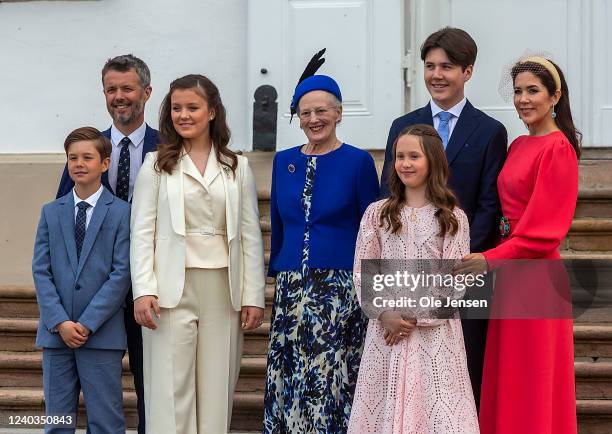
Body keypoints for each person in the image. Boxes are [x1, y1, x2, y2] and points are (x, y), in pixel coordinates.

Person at [130, 74, 266, 434]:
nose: (183, 115)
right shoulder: (156, 164)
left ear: (212, 112)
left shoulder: (237, 166)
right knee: (170, 388)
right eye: (177, 108)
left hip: (224, 285)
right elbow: (141, 232)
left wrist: (254, 295)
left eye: (192, 107)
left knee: (217, 385)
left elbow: (250, 234)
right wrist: (143, 289)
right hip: (170, 288)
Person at [379, 27, 507, 407]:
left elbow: (488, 205)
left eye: (447, 66)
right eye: (430, 66)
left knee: (462, 372)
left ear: (467, 71)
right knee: (408, 376)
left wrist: (457, 261)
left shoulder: (490, 131)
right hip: (406, 267)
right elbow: (389, 196)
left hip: (464, 269)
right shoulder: (403, 126)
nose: (436, 75)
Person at [456, 56, 581, 433]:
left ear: (555, 96)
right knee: (508, 376)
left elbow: (544, 233)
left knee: (531, 381)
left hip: (535, 277)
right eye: (518, 91)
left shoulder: (558, 149)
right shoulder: (519, 145)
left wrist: (490, 258)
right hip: (507, 272)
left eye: (533, 90)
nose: (523, 99)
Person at [264, 50, 380, 433]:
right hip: (291, 286)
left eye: (322, 111)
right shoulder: (283, 161)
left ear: (339, 113)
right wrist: (277, 266)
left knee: (331, 375)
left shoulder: (358, 162)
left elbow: (372, 227)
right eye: (306, 113)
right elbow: (278, 221)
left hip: (339, 287)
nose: (314, 119)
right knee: (290, 370)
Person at [348, 124, 479, 433]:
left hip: (435, 339)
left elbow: (455, 283)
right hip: (387, 334)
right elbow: (362, 271)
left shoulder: (452, 218)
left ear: (432, 161)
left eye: (414, 156)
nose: (405, 163)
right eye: (399, 156)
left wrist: (408, 315)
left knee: (436, 410)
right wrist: (385, 313)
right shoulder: (377, 214)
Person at [55, 54, 158, 434]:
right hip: (97, 297)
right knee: (97, 397)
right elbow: (63, 222)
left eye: (127, 88)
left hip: (151, 289)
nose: (119, 96)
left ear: (146, 92)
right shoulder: (85, 152)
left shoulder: (167, 148)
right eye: (111, 89)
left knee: (152, 385)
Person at [33, 127, 131, 433]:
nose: (79, 163)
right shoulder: (50, 212)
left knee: (106, 421)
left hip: (101, 335)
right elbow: (41, 270)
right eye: (72, 157)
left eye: (87, 157)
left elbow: (121, 273)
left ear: (104, 163)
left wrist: (87, 322)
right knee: (57, 421)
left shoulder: (122, 213)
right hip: (56, 335)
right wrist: (60, 321)